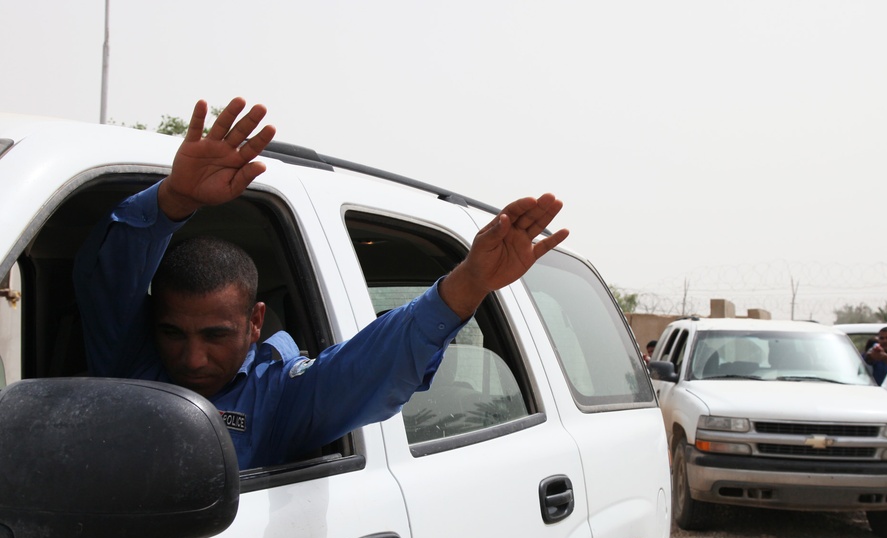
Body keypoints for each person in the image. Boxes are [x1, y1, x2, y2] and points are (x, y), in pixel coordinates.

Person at [73, 98, 569, 470]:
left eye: (215, 335)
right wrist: (173, 199)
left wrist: (469, 283)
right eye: (173, 333)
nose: (192, 358)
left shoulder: (280, 396)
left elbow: (367, 367)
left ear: (255, 323)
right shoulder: (130, 366)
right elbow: (106, 282)